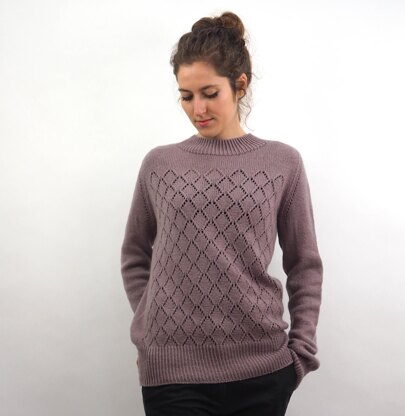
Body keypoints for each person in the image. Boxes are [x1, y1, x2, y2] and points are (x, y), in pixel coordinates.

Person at [120, 11, 323, 416]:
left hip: (262, 369)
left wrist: (300, 352)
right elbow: (134, 255)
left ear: (240, 85)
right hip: (172, 374)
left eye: (210, 93)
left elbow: (304, 263)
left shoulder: (282, 162)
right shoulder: (159, 164)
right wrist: (152, 328)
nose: (197, 108)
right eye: (186, 96)